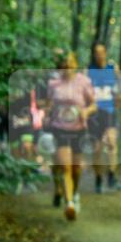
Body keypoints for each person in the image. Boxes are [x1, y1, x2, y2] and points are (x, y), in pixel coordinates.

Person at [43, 51, 96, 220]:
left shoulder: (84, 82)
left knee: (76, 168)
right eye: (64, 65)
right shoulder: (53, 83)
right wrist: (46, 112)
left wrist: (86, 111)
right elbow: (49, 104)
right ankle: (69, 204)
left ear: (76, 65)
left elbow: (94, 104)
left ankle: (74, 193)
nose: (67, 68)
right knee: (65, 167)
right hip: (59, 128)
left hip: (79, 128)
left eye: (71, 64)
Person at [88, 42, 121, 193]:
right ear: (94, 54)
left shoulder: (112, 69)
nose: (99, 54)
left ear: (106, 53)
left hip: (110, 112)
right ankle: (98, 179)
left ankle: (112, 175)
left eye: (102, 51)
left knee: (112, 143)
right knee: (97, 148)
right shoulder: (88, 71)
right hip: (95, 114)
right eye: (96, 52)